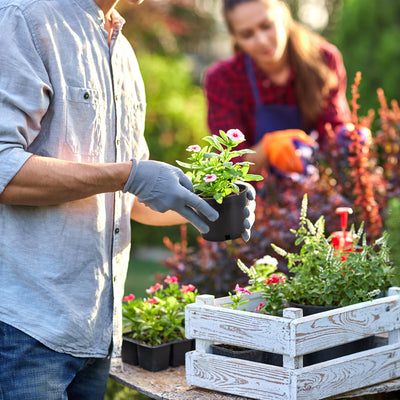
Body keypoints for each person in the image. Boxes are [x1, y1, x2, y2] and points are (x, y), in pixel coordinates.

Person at [0, 0, 255, 398]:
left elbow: (127, 201)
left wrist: (203, 209)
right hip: (24, 331)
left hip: (95, 334)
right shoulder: (24, 19)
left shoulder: (122, 52)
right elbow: (4, 169)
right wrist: (128, 174)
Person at [204, 0, 352, 176]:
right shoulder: (222, 80)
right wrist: (266, 148)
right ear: (236, 38)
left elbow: (332, 134)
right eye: (247, 34)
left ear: (283, 15)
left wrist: (350, 139)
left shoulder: (323, 60)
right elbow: (230, 166)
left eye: (267, 26)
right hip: (258, 195)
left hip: (316, 183)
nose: (262, 40)